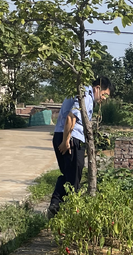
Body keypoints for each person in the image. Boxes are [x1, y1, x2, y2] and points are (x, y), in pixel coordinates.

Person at [48, 76, 111, 217]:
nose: (104, 99)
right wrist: (66, 141)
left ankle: (55, 205)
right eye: (104, 95)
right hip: (71, 138)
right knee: (74, 179)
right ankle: (70, 213)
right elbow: (71, 117)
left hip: (61, 135)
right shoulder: (85, 96)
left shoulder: (79, 92)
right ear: (97, 88)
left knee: (68, 175)